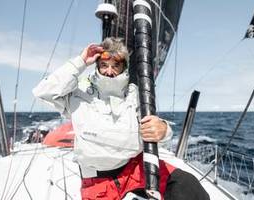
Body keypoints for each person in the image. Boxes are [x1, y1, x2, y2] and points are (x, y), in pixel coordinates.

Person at [33, 37, 209, 199]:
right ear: (96, 66)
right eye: (103, 65)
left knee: (189, 187)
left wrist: (163, 129)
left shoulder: (135, 94)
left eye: (115, 65)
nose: (109, 71)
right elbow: (43, 91)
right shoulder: (77, 94)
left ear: (124, 67)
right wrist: (80, 62)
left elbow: (154, 124)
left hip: (137, 169)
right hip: (98, 181)